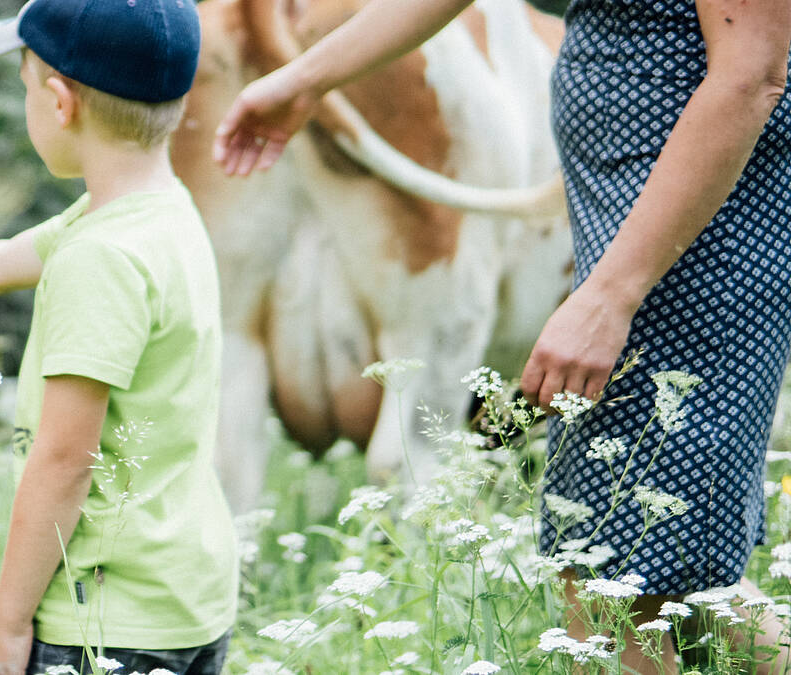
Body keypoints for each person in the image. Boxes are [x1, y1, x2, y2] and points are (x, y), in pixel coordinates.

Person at [216, 0, 791, 671]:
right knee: (678, 577)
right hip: (627, 222)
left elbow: (752, 73)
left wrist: (608, 295)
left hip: (690, 243)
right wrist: (308, 76)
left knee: (607, 583)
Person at [0, 1, 237, 672]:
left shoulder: (101, 258)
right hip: (188, 599)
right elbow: (8, 259)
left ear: (58, 102)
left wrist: (8, 622)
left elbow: (64, 460)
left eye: (25, 83)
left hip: (105, 623)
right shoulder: (157, 214)